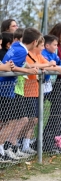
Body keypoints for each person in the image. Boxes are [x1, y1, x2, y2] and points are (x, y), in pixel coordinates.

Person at [0, 28, 40, 161]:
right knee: (10, 121)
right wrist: (27, 71)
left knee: (7, 120)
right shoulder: (22, 50)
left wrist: (28, 67)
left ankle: (4, 150)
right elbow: (12, 67)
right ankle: (2, 150)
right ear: (35, 42)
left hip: (7, 87)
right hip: (6, 87)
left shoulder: (16, 45)